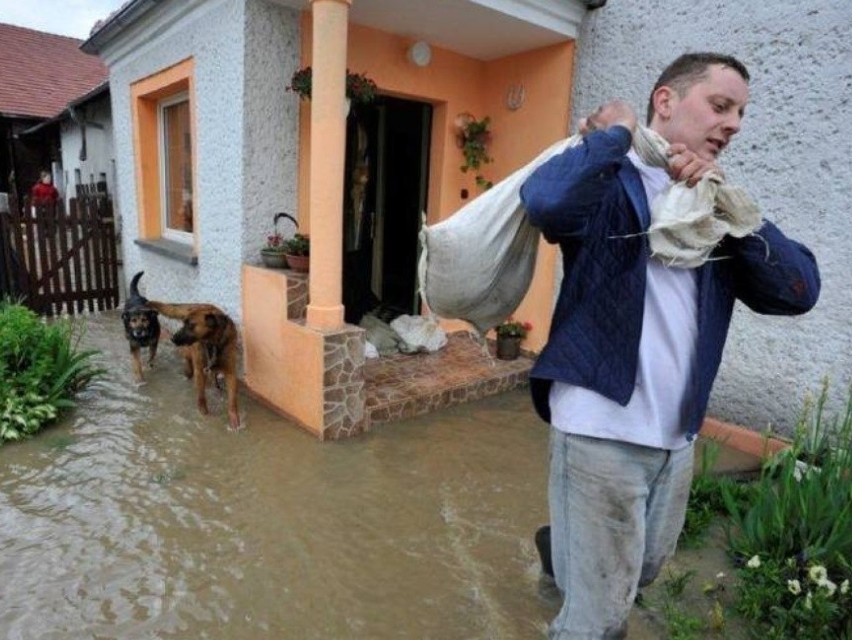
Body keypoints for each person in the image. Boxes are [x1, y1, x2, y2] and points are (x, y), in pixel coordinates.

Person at [519, 53, 820, 639]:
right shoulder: (611, 180)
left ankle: (560, 554)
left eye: (740, 114)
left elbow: (797, 290)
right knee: (599, 619)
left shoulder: (716, 208)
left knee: (646, 569)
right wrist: (614, 134)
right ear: (666, 101)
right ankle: (576, 593)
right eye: (720, 105)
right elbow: (545, 203)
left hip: (676, 437)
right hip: (599, 426)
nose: (733, 123)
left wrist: (733, 207)